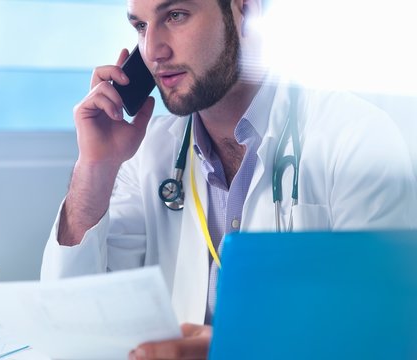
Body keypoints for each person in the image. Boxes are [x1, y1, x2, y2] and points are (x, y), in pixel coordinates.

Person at [41, 0, 417, 359]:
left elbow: (383, 334)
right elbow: (71, 324)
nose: (153, 51)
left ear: (246, 11)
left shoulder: (356, 138)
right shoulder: (150, 152)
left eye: (175, 15)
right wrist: (95, 168)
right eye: (140, 26)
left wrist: (241, 349)